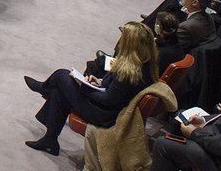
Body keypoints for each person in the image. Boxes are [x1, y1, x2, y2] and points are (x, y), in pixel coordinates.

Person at [23, 21, 159, 156]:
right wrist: (98, 82)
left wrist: (84, 87)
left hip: (104, 115)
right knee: (60, 91)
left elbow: (107, 100)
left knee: (61, 76)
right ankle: (50, 140)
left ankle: (43, 89)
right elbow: (116, 92)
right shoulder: (145, 66)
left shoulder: (129, 72)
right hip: (110, 110)